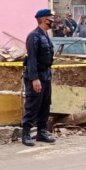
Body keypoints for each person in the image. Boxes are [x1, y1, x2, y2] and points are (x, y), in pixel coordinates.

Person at [21, 9, 56, 147]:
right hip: (36, 75)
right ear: (44, 20)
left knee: (45, 104)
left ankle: (41, 132)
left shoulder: (45, 35)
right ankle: (26, 134)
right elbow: (32, 59)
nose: (53, 21)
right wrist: (34, 78)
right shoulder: (34, 36)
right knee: (33, 104)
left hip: (46, 74)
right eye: (51, 18)